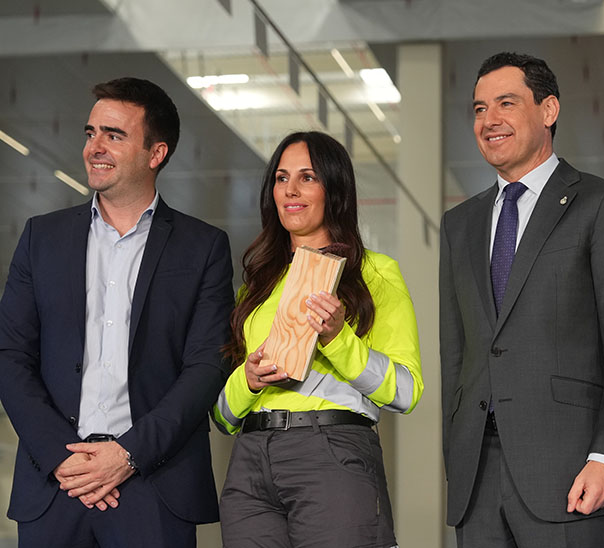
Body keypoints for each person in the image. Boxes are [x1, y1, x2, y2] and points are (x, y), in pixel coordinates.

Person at [0, 77, 234, 546]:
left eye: (114, 134)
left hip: (153, 484)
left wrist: (128, 455)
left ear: (156, 153)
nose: (94, 147)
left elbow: (207, 365)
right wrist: (59, 457)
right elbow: (10, 354)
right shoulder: (41, 237)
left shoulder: (203, 246)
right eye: (90, 133)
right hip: (56, 481)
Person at [439, 52, 604, 547]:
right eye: (479, 108)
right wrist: (455, 451)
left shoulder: (603, 204)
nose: (489, 120)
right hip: (478, 479)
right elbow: (457, 352)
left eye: (506, 103)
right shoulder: (460, 223)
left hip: (573, 471)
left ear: (548, 110)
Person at [212, 131, 422, 548]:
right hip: (250, 458)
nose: (290, 189)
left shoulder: (375, 274)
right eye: (281, 177)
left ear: (335, 189)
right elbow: (221, 416)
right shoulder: (256, 286)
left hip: (331, 450)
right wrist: (248, 380)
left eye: (307, 177)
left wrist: (338, 338)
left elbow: (406, 391)